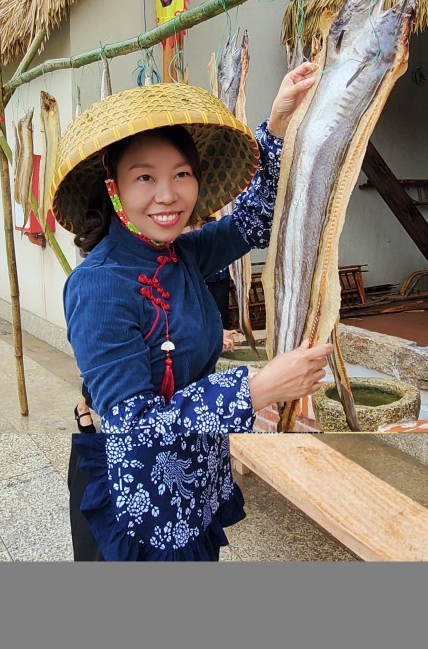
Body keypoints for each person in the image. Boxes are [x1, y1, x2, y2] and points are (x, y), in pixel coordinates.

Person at [51, 66, 329, 561]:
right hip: (140, 507)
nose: (168, 195)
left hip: (195, 486)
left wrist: (278, 124)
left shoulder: (181, 253)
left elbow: (254, 221)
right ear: (113, 189)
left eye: (182, 174)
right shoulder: (98, 287)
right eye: (145, 178)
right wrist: (259, 387)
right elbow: (133, 427)